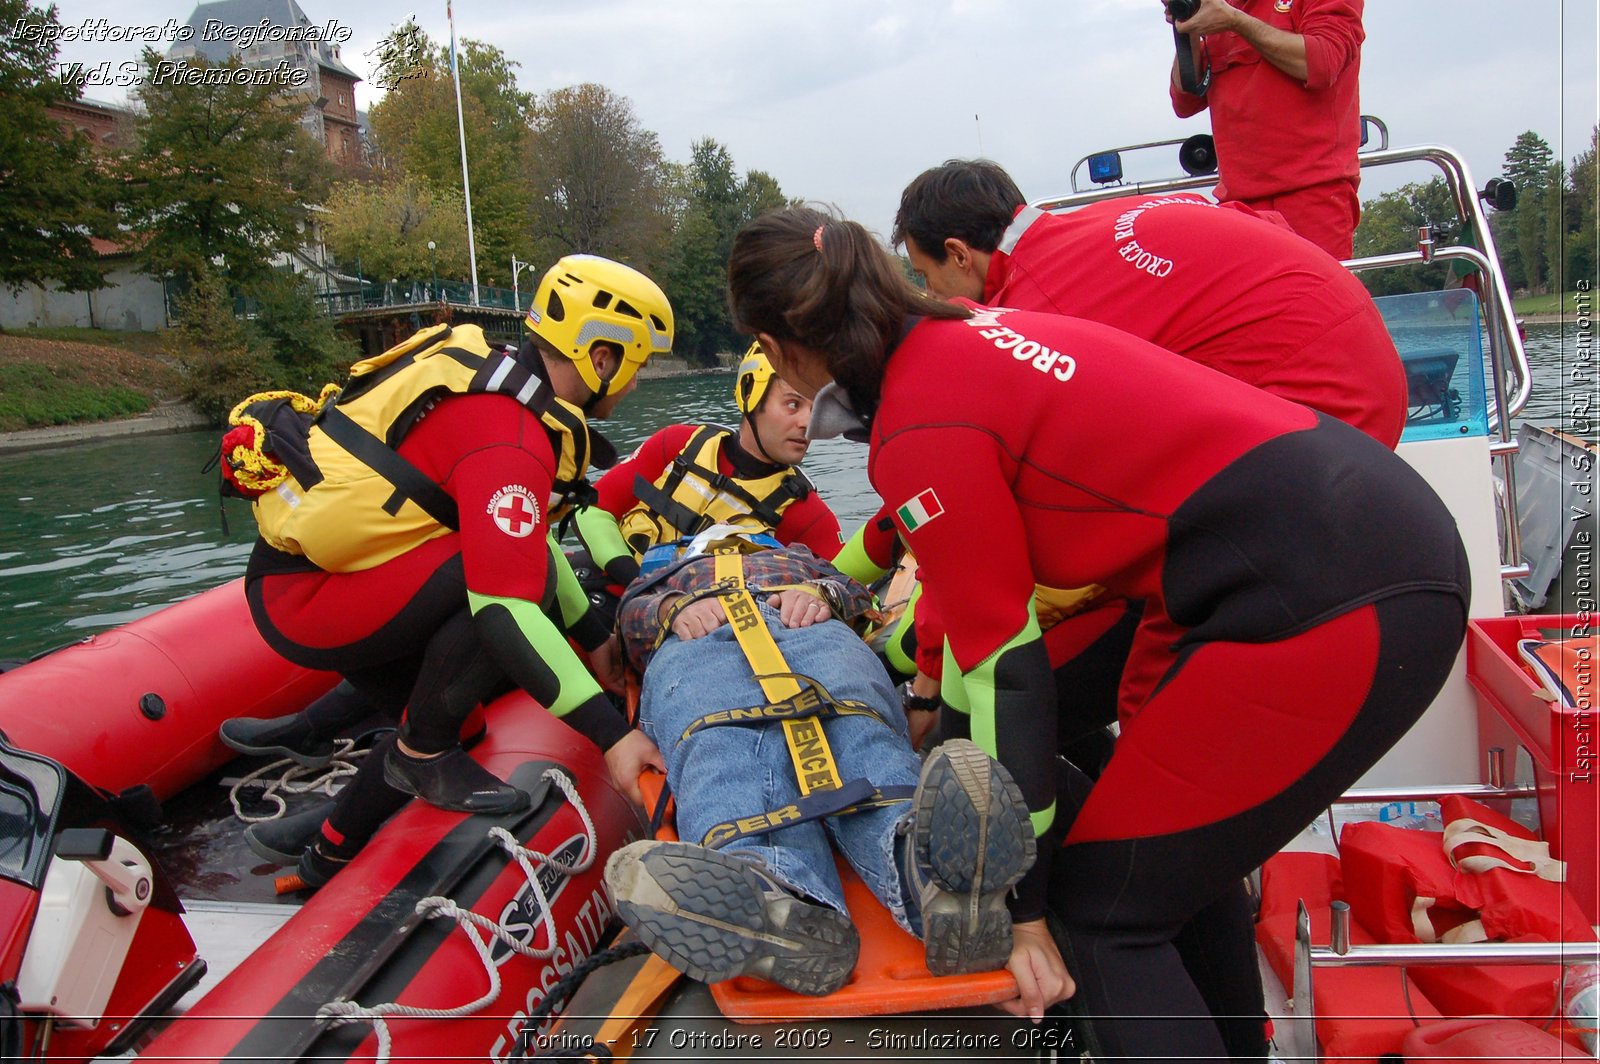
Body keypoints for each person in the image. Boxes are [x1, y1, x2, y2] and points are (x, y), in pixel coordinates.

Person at [728, 206, 1470, 1058]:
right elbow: (984, 657)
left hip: (1327, 594)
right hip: (1350, 545)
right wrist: (958, 751)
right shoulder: (971, 331)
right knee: (1168, 869)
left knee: (1102, 917)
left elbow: (1007, 670)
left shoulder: (920, 423)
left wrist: (1028, 908)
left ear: (782, 343)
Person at [876, 156, 1410, 766]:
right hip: (1354, 395)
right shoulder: (1087, 232)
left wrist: (927, 682)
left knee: (1140, 668)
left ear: (959, 253)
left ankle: (1144, 802)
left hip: (1322, 432)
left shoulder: (1036, 309)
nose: (930, 297)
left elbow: (988, 538)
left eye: (925, 275)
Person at [221, 254, 673, 887]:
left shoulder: (497, 375)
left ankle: (324, 846)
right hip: (311, 598)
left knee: (462, 717)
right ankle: (417, 754)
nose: (636, 382)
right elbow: (509, 601)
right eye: (639, 363)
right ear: (603, 356)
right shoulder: (510, 434)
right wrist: (610, 734)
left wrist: (597, 640)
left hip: (330, 573)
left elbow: (527, 537)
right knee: (492, 629)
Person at [603, 527, 1034, 992]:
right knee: (720, 743)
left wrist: (819, 592)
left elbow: (856, 594)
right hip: (701, 642)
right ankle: (770, 894)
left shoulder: (800, 560)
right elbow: (630, 622)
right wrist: (673, 608)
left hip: (810, 631)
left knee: (859, 727)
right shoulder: (665, 578)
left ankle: (923, 870)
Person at [568, 343, 842, 610]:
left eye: (817, 408)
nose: (808, 423)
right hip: (602, 595)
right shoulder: (675, 445)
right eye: (793, 404)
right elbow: (590, 511)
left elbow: (845, 589)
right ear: (750, 395)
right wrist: (638, 583)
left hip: (679, 637)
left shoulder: (809, 516)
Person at [1167, 0, 1366, 259]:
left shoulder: (1227, 12)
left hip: (1313, 197)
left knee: (1313, 297)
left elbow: (1322, 61)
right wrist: (1189, 24)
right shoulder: (1222, 6)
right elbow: (1185, 100)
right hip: (1239, 206)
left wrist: (1236, 21)